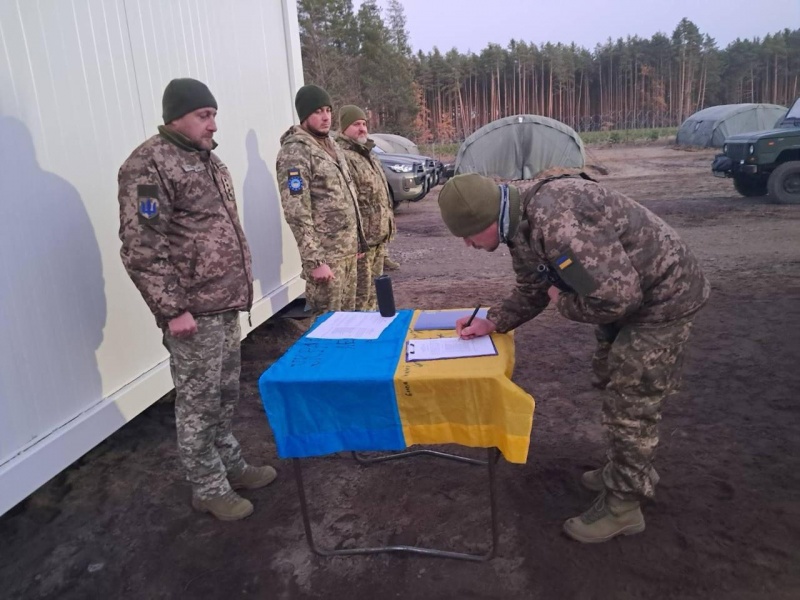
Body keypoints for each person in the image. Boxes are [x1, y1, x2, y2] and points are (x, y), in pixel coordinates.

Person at [437, 170, 710, 543]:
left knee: (630, 402)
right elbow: (534, 287)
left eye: (467, 235)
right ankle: (628, 469)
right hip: (632, 299)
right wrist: (494, 322)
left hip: (663, 300)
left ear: (484, 219)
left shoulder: (557, 222)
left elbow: (616, 298)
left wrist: (562, 302)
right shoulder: (518, 223)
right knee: (609, 377)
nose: (467, 244)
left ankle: (624, 506)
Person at [118, 78, 277, 522]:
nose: (212, 124)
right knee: (198, 401)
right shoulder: (149, 166)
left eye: (213, 115)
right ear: (176, 118)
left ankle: (230, 466)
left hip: (223, 303)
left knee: (225, 395)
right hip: (192, 311)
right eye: (203, 116)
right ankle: (207, 487)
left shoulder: (209, 161)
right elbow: (141, 247)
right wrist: (172, 309)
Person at [276, 85, 366, 315]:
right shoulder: (295, 152)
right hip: (327, 259)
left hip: (347, 252)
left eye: (328, 110)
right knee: (327, 329)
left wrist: (358, 241)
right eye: (318, 111)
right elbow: (297, 211)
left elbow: (347, 195)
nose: (326, 117)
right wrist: (315, 261)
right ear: (305, 115)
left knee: (350, 323)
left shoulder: (331, 145)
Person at [335, 105, 395, 310]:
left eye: (364, 124)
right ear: (343, 128)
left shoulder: (368, 153)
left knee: (374, 296)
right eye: (356, 124)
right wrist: (355, 241)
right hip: (362, 243)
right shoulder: (343, 156)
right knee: (360, 300)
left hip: (377, 239)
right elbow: (346, 202)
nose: (362, 128)